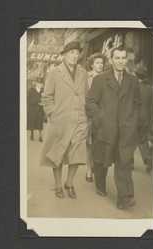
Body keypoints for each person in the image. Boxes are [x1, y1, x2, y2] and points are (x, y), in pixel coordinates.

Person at [86, 46, 142, 210]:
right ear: (111, 60)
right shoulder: (100, 80)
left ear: (127, 60)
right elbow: (90, 102)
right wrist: (100, 118)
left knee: (124, 163)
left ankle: (124, 198)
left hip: (126, 130)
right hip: (105, 130)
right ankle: (100, 184)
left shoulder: (133, 81)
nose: (120, 61)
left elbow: (138, 103)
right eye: (117, 58)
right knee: (101, 161)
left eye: (123, 58)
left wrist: (134, 122)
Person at [40, 41, 88, 199]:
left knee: (77, 154)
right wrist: (53, 114)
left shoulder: (82, 72)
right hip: (60, 120)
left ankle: (69, 183)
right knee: (57, 154)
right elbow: (47, 96)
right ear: (64, 54)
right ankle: (58, 185)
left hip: (79, 119)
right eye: (71, 53)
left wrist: (85, 114)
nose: (74, 56)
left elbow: (86, 95)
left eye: (77, 53)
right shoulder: (55, 72)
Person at [85, 52, 106, 182]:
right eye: (97, 63)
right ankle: (89, 169)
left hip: (103, 115)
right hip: (89, 115)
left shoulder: (107, 78)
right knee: (89, 144)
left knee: (100, 144)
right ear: (92, 65)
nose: (100, 65)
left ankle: (97, 167)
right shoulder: (87, 78)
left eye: (102, 63)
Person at [135, 65, 153, 174]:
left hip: (135, 118)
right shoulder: (151, 89)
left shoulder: (134, 88)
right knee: (143, 140)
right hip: (147, 118)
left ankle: (130, 161)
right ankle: (147, 158)